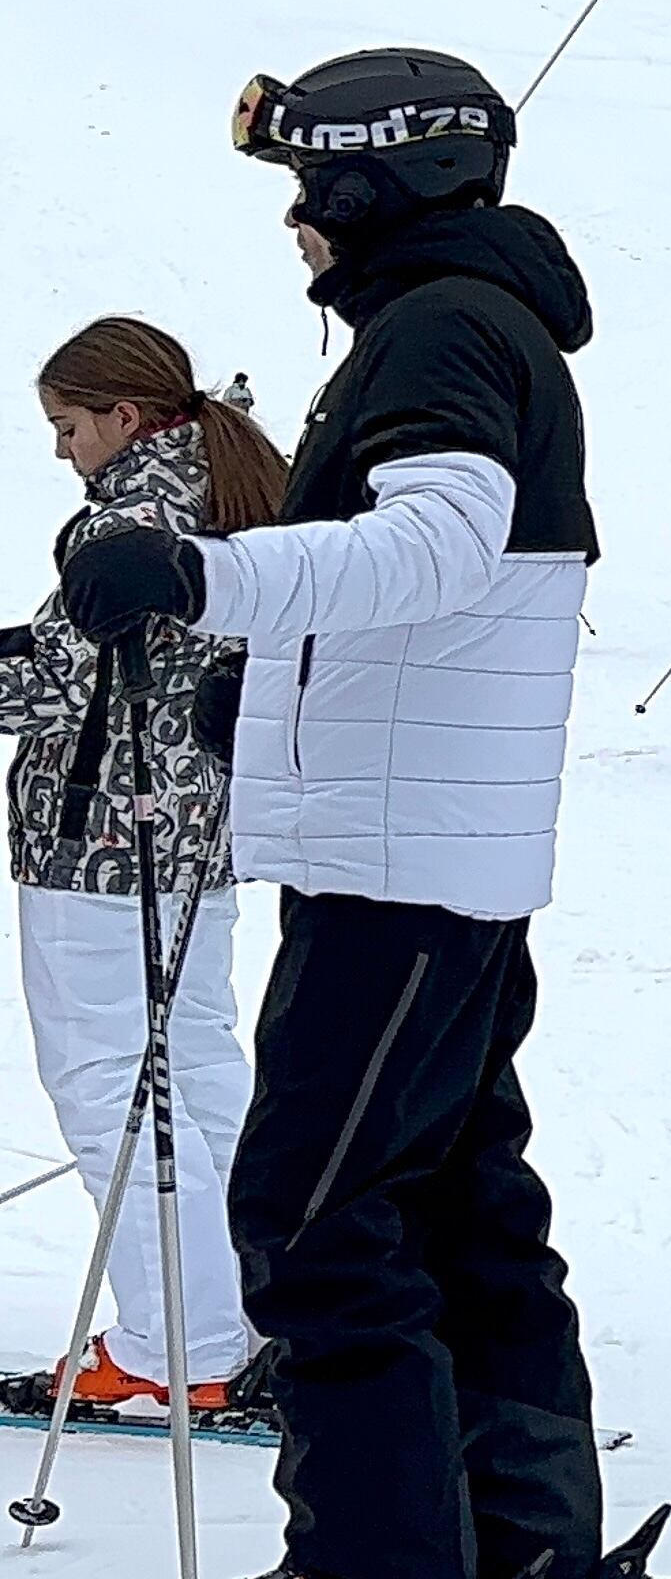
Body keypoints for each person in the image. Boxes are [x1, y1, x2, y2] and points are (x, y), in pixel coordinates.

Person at [58, 47, 649, 1574]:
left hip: (403, 868)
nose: (298, 220)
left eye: (315, 186)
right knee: (456, 1218)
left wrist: (203, 579)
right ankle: (527, 1547)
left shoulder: (445, 330)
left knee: (317, 1230)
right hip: (433, 852)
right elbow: (425, 596)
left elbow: (438, 548)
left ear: (389, 185)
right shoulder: (462, 328)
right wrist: (256, 697)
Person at [0, 319, 282, 1422]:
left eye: (70, 427)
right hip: (190, 837)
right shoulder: (225, 484)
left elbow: (49, 687)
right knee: (197, 1073)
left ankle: (179, 1343)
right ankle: (237, 1310)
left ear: (123, 415)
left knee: (108, 1084)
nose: (63, 450)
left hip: (98, 844)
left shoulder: (133, 516)